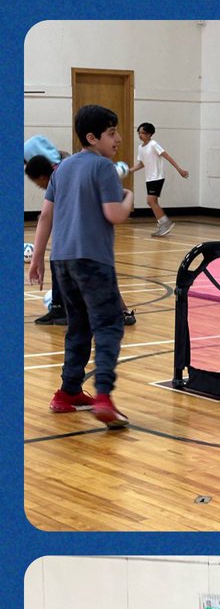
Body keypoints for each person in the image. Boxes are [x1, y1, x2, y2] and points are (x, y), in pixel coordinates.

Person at [28, 104, 134, 426]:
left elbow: (45, 216)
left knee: (79, 326)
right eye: (112, 133)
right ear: (92, 137)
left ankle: (68, 392)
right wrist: (129, 198)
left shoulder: (63, 169)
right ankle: (103, 396)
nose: (118, 139)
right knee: (109, 325)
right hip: (93, 260)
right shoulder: (104, 168)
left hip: (62, 261)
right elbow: (114, 214)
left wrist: (37, 258)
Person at [26, 149, 137, 328]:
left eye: (37, 182)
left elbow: (48, 216)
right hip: (69, 243)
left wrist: (128, 195)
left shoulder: (66, 174)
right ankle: (60, 309)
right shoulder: (63, 174)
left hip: (87, 239)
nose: (39, 186)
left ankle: (122, 312)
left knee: (100, 278)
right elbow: (47, 216)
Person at [131, 122, 188, 237]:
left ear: (149, 134)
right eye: (139, 133)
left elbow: (168, 157)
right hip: (149, 178)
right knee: (153, 201)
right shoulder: (140, 148)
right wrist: (129, 170)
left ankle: (165, 223)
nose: (140, 135)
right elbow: (142, 164)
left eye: (143, 133)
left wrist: (179, 170)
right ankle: (163, 224)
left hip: (157, 177)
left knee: (150, 201)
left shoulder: (154, 145)